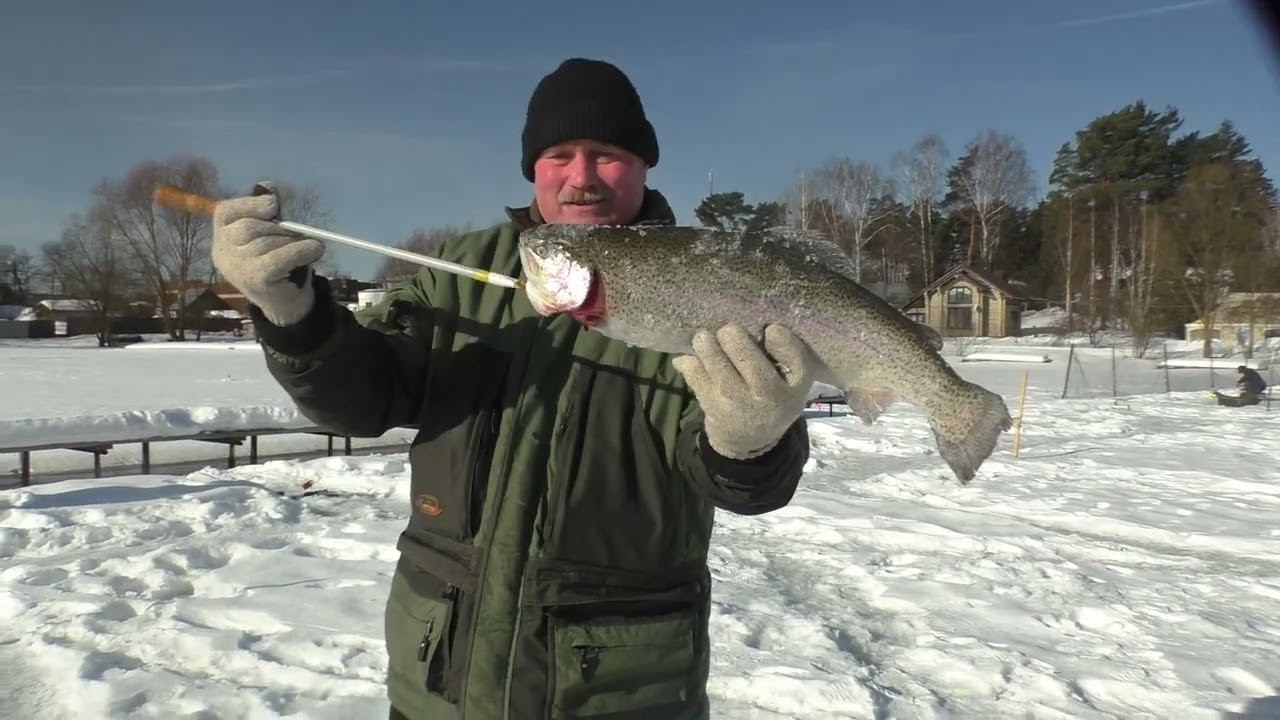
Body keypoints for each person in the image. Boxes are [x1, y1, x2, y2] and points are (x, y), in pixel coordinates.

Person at [211, 58, 816, 719]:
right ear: (534, 167)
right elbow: (361, 400)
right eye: (560, 154)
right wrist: (292, 318)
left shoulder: (711, 277)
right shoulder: (459, 270)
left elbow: (747, 488)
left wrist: (752, 443)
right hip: (440, 685)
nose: (581, 176)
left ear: (644, 165)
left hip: (621, 690)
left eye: (606, 154)